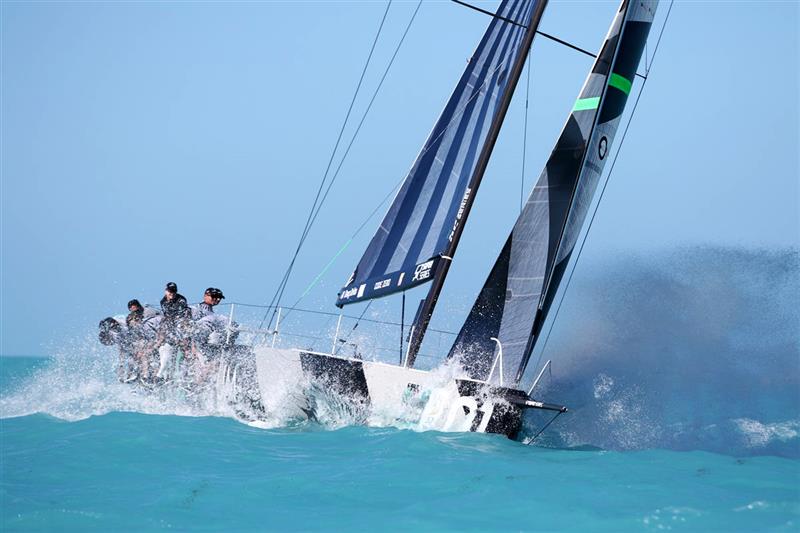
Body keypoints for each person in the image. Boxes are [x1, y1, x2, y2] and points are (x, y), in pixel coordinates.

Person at [156, 282, 192, 380]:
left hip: (181, 323)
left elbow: (181, 315)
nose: (172, 293)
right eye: (170, 291)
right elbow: (167, 315)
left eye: (174, 291)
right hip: (170, 324)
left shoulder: (181, 300)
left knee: (184, 344)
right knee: (162, 332)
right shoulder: (163, 301)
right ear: (166, 291)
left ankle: (186, 370)